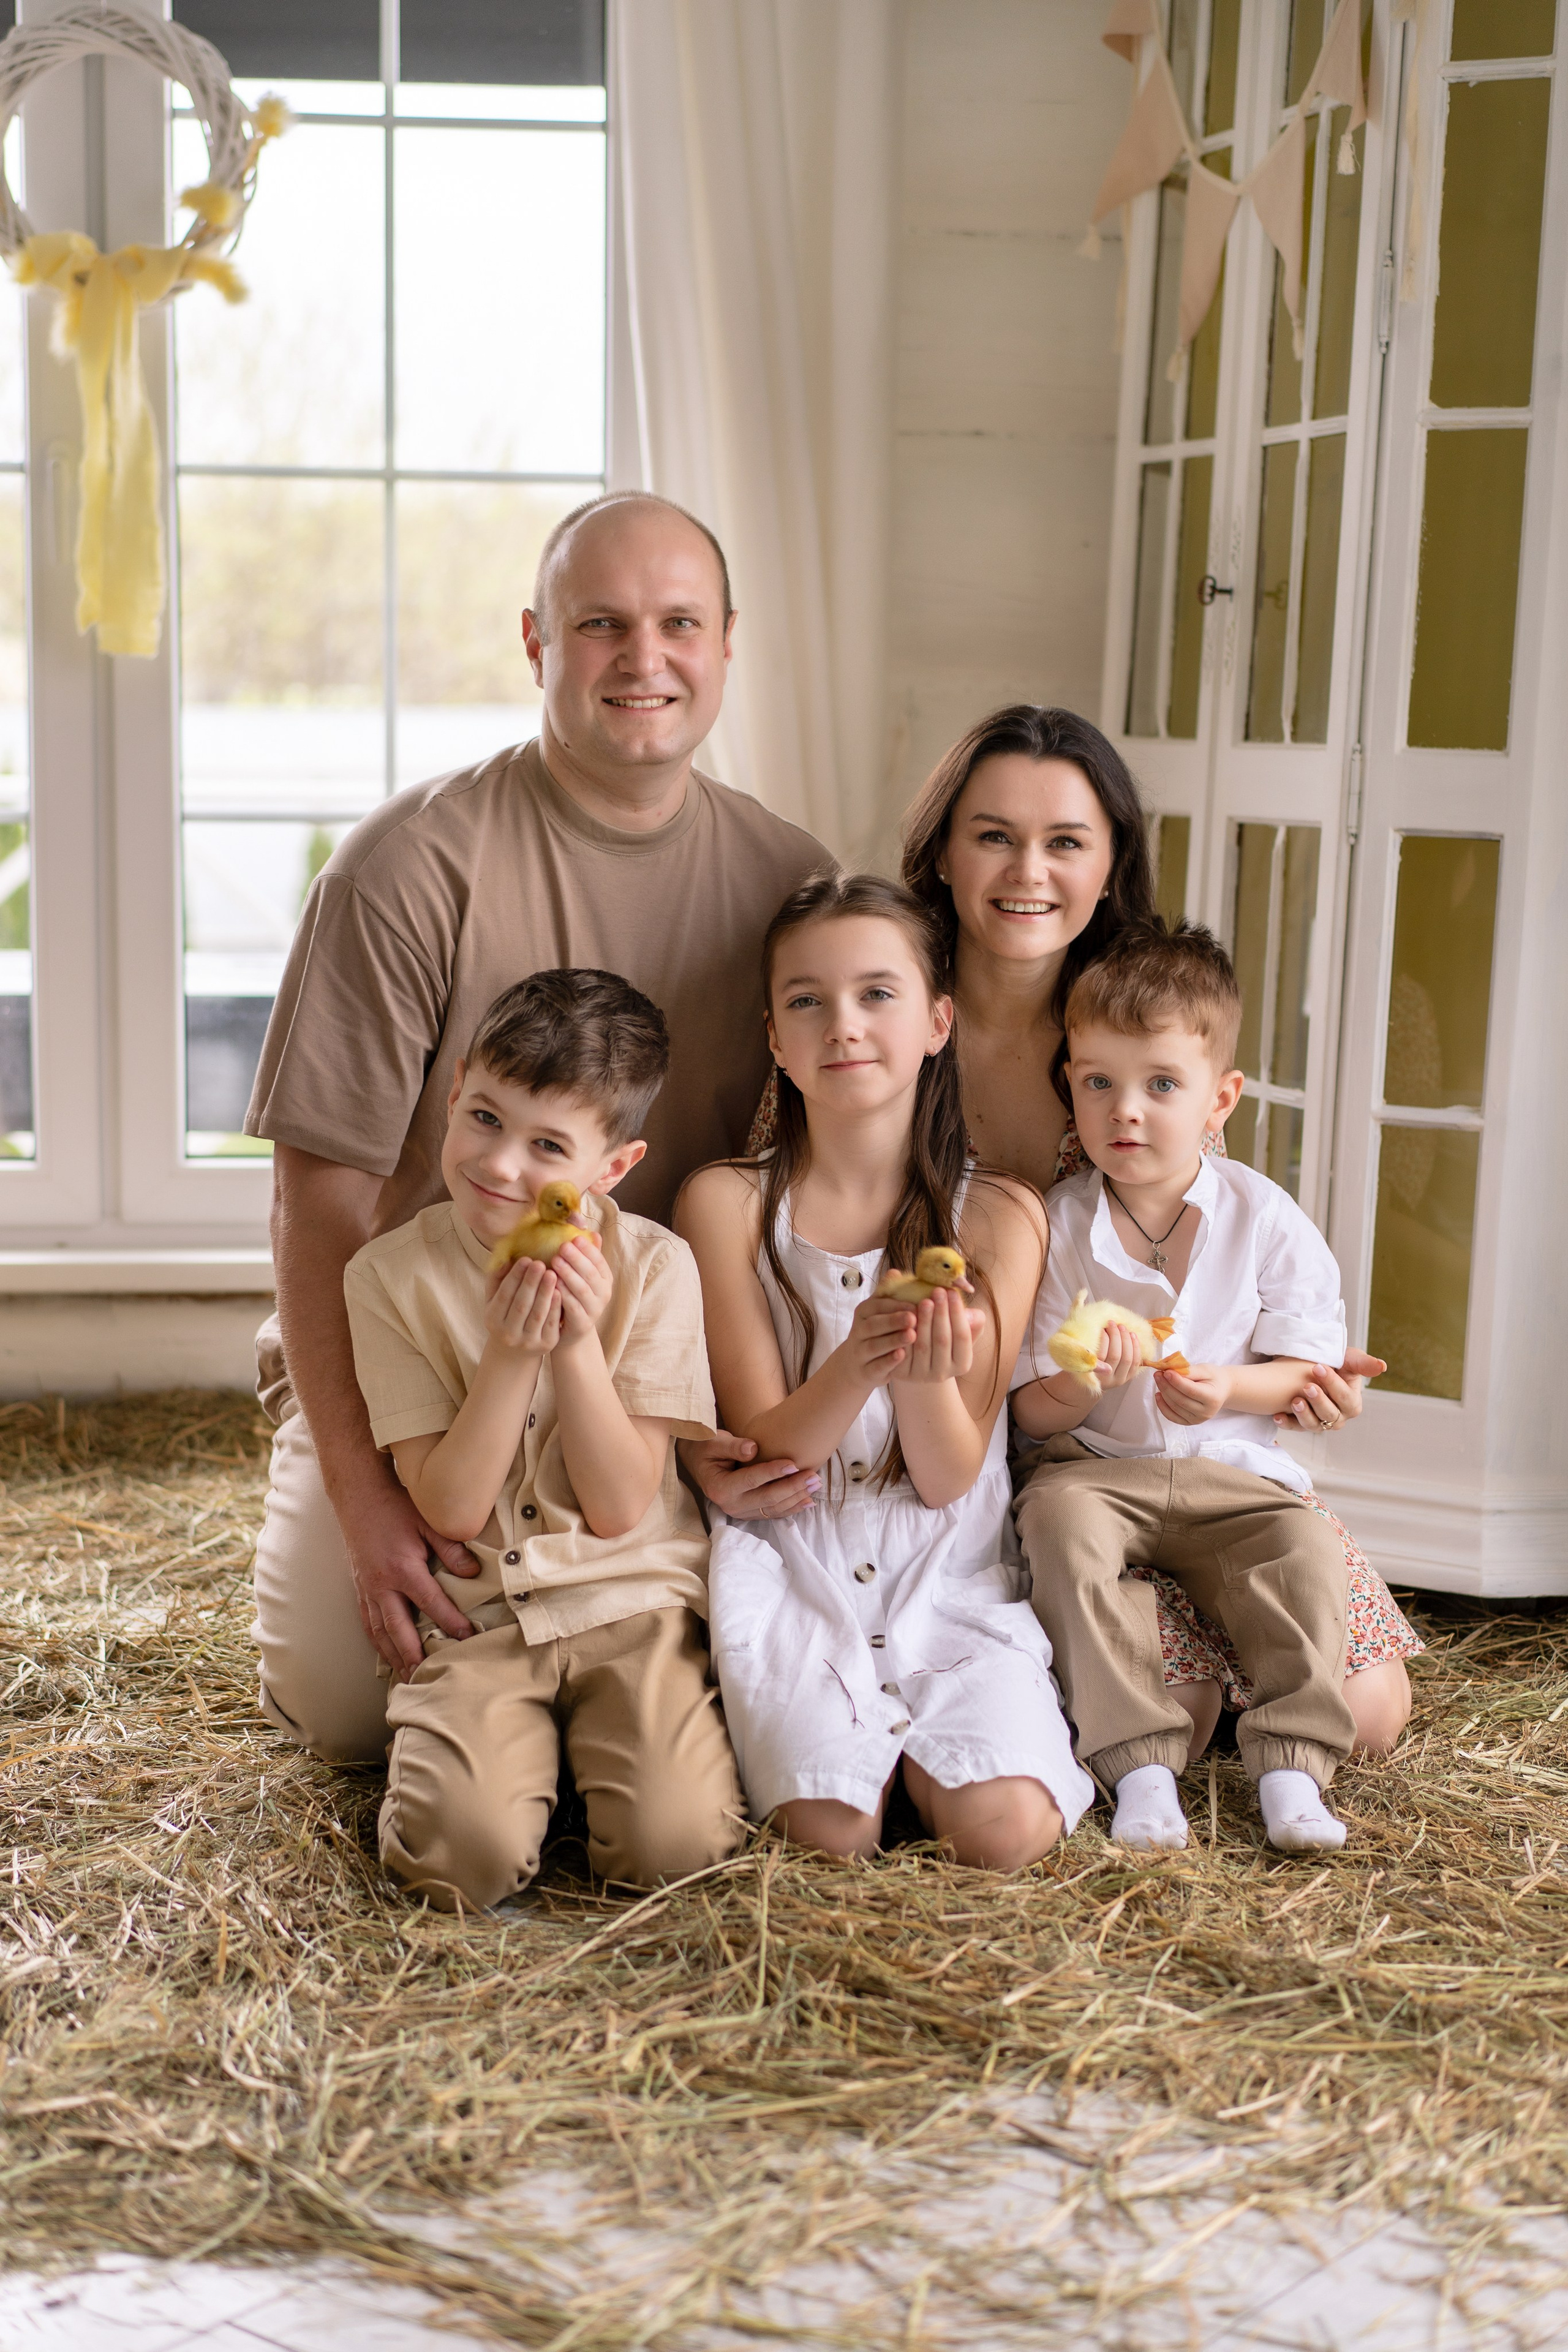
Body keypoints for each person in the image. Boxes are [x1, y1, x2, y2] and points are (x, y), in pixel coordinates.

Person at [248, 491, 826, 1761]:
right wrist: (363, 1499)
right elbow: (320, 1204)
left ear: (727, 643)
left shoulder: (791, 884)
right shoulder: (404, 867)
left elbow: (806, 1183)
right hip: (425, 1358)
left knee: (761, 1714)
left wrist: (731, 1425)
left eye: (679, 623)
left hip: (647, 1364)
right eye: (600, 623)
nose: (644, 657)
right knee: (348, 1717)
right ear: (535, 643)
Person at [897, 706, 1418, 1757]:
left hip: (1195, 1452)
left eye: (1066, 842)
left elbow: (1220, 1243)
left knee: (1371, 1718)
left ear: (1110, 864)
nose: (1026, 870)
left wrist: (1287, 1375)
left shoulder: (1139, 1014)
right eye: (993, 834)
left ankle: (1239, 1671)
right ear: (944, 852)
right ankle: (1155, 1681)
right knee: (1166, 1704)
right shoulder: (889, 1001)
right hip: (1008, 1445)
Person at [677, 873, 1096, 1868]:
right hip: (794, 1563)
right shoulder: (724, 1206)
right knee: (829, 1838)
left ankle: (947, 1759)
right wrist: (859, 1361)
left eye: (877, 994)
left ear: (937, 1021)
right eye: (806, 1001)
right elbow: (769, 1456)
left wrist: (917, 1378)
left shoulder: (1001, 1215)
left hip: (947, 1570)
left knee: (1008, 1836)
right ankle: (860, 1768)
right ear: (776, 1040)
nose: (843, 1026)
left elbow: (951, 1476)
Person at [345, 970, 742, 1909]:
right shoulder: (386, 1278)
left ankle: (589, 1778)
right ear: (453, 1097)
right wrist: (510, 1356)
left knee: (676, 1852)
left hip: (633, 1609)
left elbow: (617, 1507)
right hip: (482, 1622)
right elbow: (447, 1506)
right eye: (484, 1118)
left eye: (548, 1145)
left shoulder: (656, 1266)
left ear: (610, 1168)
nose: (502, 1165)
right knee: (454, 1863)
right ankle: (504, 1779)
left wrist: (573, 1350)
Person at [1011, 921, 1360, 1855]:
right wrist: (1080, 1381)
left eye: (1162, 1085)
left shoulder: (1266, 1217)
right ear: (1072, 1087)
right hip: (1096, 1468)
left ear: (1221, 1099)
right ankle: (1141, 1771)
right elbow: (1026, 1411)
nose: (1127, 1110)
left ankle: (1291, 1762)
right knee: (1058, 1528)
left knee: (1300, 1549)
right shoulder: (1056, 1225)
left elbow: (1308, 1367)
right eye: (1098, 1083)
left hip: (1231, 1472)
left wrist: (1229, 1389)